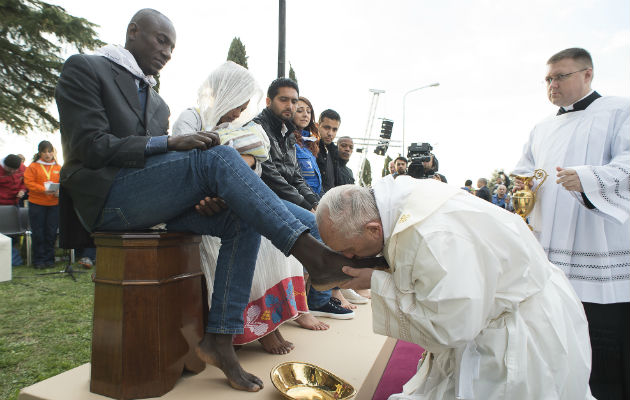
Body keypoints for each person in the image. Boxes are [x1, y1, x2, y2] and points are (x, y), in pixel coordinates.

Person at [55, 9, 385, 392]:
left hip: (147, 199)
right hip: (108, 198)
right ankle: (314, 255)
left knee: (239, 217)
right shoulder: (86, 68)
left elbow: (162, 174)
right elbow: (88, 148)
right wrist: (169, 143)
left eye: (172, 46)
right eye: (161, 40)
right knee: (218, 155)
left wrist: (201, 196)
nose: (167, 52)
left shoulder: (156, 102)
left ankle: (221, 338)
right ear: (133, 31)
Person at [315, 178, 594, 400]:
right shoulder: (392, 201)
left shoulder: (433, 237)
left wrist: (375, 281)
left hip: (520, 328)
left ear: (374, 229)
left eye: (349, 250)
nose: (349, 258)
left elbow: (451, 328)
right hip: (495, 305)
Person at [172, 61, 321, 352]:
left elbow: (252, 170)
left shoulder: (237, 128)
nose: (240, 111)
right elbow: (183, 167)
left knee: (275, 242)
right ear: (223, 93)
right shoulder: (191, 119)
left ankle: (271, 323)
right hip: (198, 207)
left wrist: (244, 163)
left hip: (231, 200)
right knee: (254, 237)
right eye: (237, 104)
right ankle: (257, 328)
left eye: (243, 105)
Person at [512, 47, 629, 399]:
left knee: (603, 341)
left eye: (560, 76)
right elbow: (524, 168)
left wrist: (591, 179)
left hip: (600, 242)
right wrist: (522, 182)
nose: (552, 85)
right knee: (558, 331)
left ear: (587, 74)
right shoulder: (541, 127)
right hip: (552, 246)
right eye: (548, 79)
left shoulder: (620, 110)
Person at [253, 80, 353, 320]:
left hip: (285, 196)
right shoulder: (258, 128)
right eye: (284, 100)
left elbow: (296, 176)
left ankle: (324, 297)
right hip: (266, 196)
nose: (290, 105)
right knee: (319, 226)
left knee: (328, 220)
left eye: (294, 100)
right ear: (269, 101)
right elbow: (270, 175)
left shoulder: (287, 133)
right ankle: (317, 301)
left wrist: (316, 203)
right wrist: (306, 204)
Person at [24, 141, 61, 269]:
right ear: (40, 153)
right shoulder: (33, 167)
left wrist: (59, 192)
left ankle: (50, 259)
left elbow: (64, 183)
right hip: (37, 204)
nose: (47, 154)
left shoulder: (58, 168)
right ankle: (38, 260)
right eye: (44, 152)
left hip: (54, 204)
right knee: (38, 232)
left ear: (53, 153)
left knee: (51, 232)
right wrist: (43, 190)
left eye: (50, 151)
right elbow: (29, 183)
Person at [293, 96, 323, 197]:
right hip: (301, 198)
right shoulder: (288, 140)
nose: (305, 115)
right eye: (300, 111)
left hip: (315, 197)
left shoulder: (309, 142)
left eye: (309, 112)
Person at [316, 109, 341, 193]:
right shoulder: (310, 148)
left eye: (334, 130)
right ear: (317, 125)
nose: (330, 133)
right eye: (327, 128)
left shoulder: (334, 152)